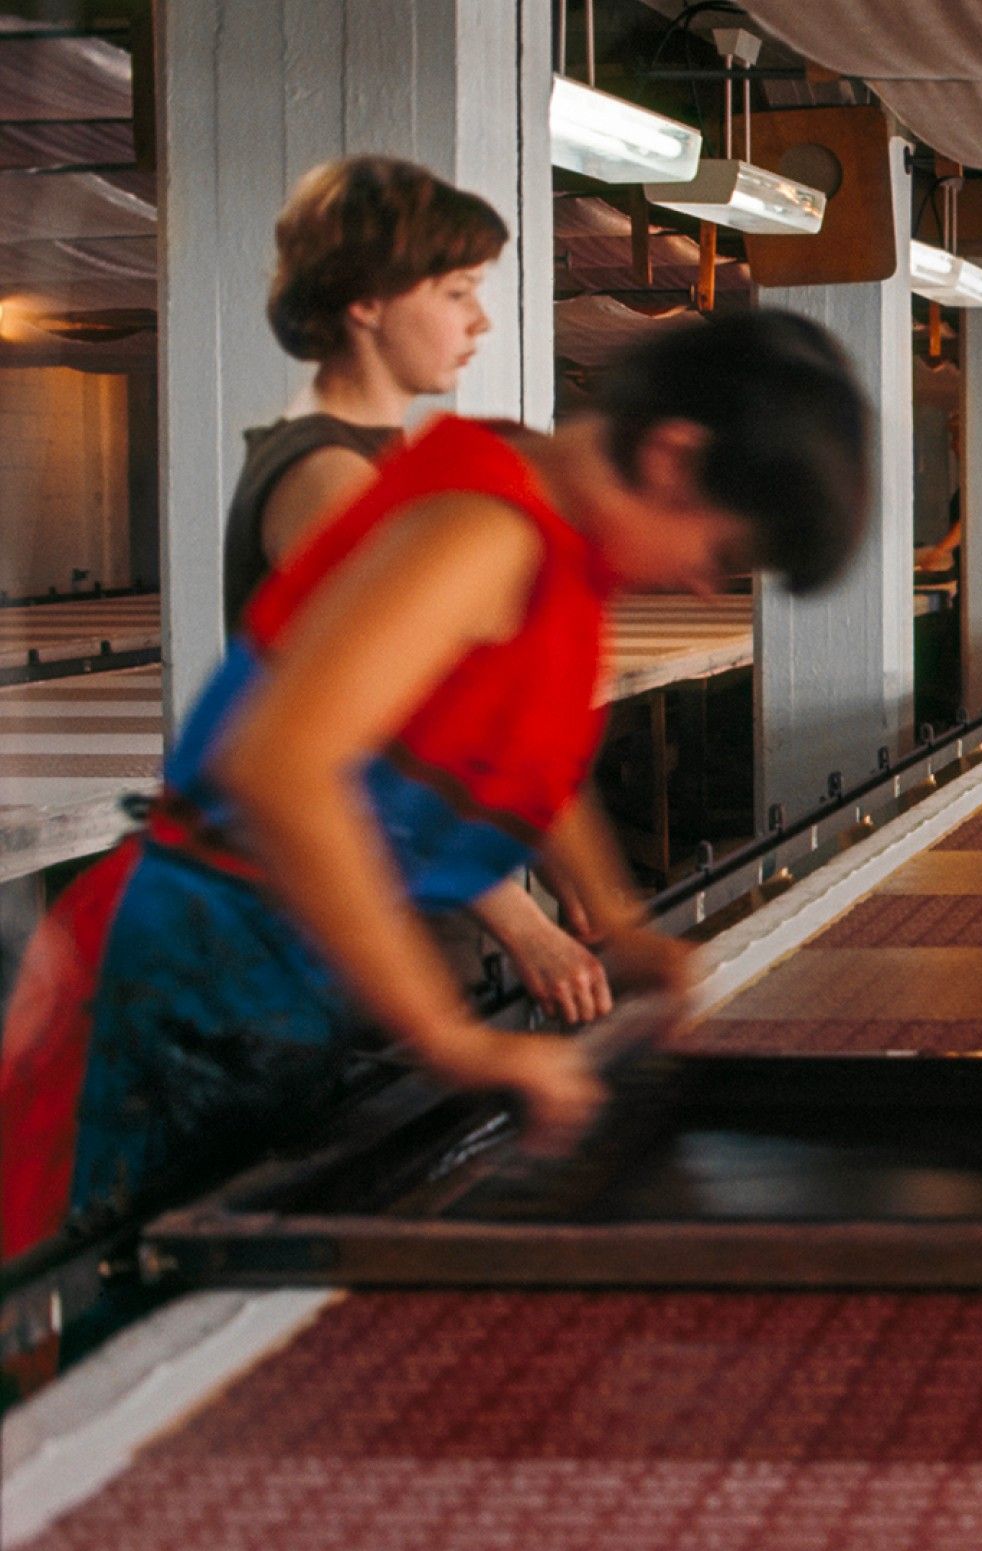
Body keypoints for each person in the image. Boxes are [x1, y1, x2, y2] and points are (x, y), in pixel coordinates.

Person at [0, 310, 871, 1257]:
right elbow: (280, 767)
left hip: (268, 987)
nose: (707, 587)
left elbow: (519, 755)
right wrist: (457, 1042)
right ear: (672, 459)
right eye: (724, 556)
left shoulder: (555, 536)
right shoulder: (484, 531)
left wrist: (620, 925)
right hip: (177, 994)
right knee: (116, 1295)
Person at [234, 154, 611, 1020]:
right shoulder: (329, 480)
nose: (480, 319)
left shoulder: (390, 470)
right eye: (455, 292)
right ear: (366, 302)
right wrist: (524, 924)